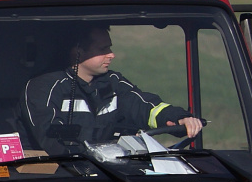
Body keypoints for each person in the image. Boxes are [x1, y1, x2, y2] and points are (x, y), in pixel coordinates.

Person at [22, 28, 202, 157]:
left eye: (110, 47)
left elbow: (144, 106)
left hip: (108, 176)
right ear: (78, 52)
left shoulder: (113, 82)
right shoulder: (44, 87)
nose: (111, 55)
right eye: (103, 49)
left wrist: (179, 118)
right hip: (61, 181)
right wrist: (99, 155)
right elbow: (51, 140)